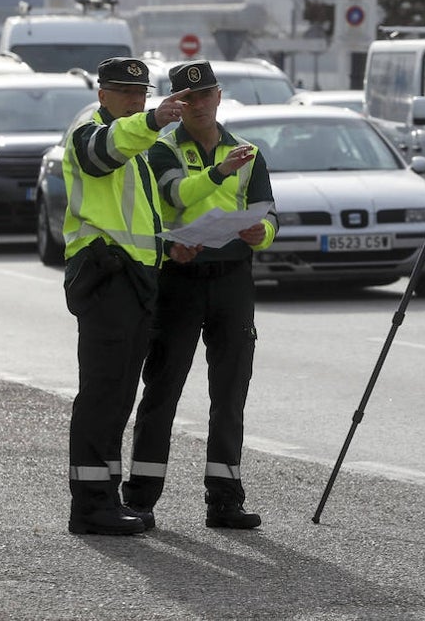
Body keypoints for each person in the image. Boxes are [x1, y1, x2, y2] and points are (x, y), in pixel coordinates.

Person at [122, 60, 278, 530]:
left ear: (218, 95)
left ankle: (224, 500)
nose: (198, 105)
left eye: (205, 95)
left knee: (230, 393)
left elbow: (270, 214)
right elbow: (177, 198)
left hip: (232, 277)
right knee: (163, 389)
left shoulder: (246, 152)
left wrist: (260, 233)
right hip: (180, 278)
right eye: (187, 99)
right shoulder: (164, 148)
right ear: (176, 103)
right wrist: (217, 174)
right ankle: (142, 497)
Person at [63, 56, 193, 536]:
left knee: (118, 395)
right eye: (123, 92)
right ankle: (90, 507)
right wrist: (154, 119)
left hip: (134, 276)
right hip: (105, 276)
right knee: (102, 394)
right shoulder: (92, 129)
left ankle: (105, 499)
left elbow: (137, 214)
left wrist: (168, 243)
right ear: (101, 93)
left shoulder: (136, 139)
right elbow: (102, 155)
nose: (134, 101)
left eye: (141, 94)